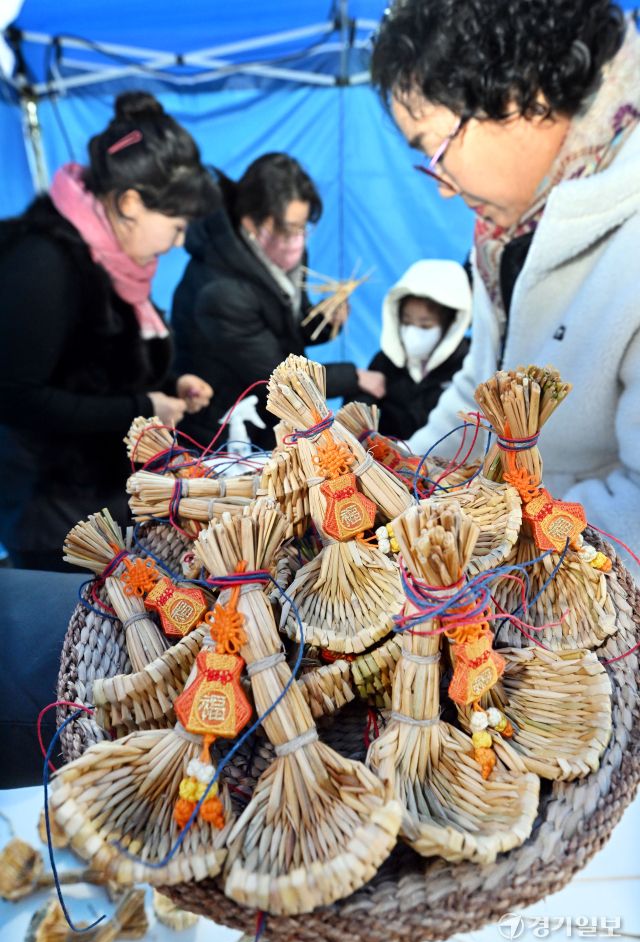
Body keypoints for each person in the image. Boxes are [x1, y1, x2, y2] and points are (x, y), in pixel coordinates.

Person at [371, 0, 640, 562]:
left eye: (433, 148)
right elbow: (483, 396)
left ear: (519, 95)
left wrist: (495, 543)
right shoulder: (506, 236)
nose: (441, 185)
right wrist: (399, 486)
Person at [0, 91, 218, 572]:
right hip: (53, 519)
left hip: (105, 503)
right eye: (177, 226)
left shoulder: (118, 260)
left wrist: (167, 387)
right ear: (131, 203)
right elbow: (16, 396)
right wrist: (142, 408)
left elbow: (100, 367)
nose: (179, 242)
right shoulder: (45, 262)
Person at [171, 152, 385, 449]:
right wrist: (353, 376)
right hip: (223, 434)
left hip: (268, 419)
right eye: (287, 229)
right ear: (251, 219)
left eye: (302, 228)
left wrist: (325, 320)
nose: (296, 240)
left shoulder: (279, 258)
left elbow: (288, 327)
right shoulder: (221, 289)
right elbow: (278, 375)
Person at [369, 259, 471, 440]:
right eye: (407, 322)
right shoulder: (385, 362)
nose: (413, 333)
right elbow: (361, 418)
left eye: (425, 325)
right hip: (388, 464)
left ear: (450, 325)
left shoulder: (468, 364)